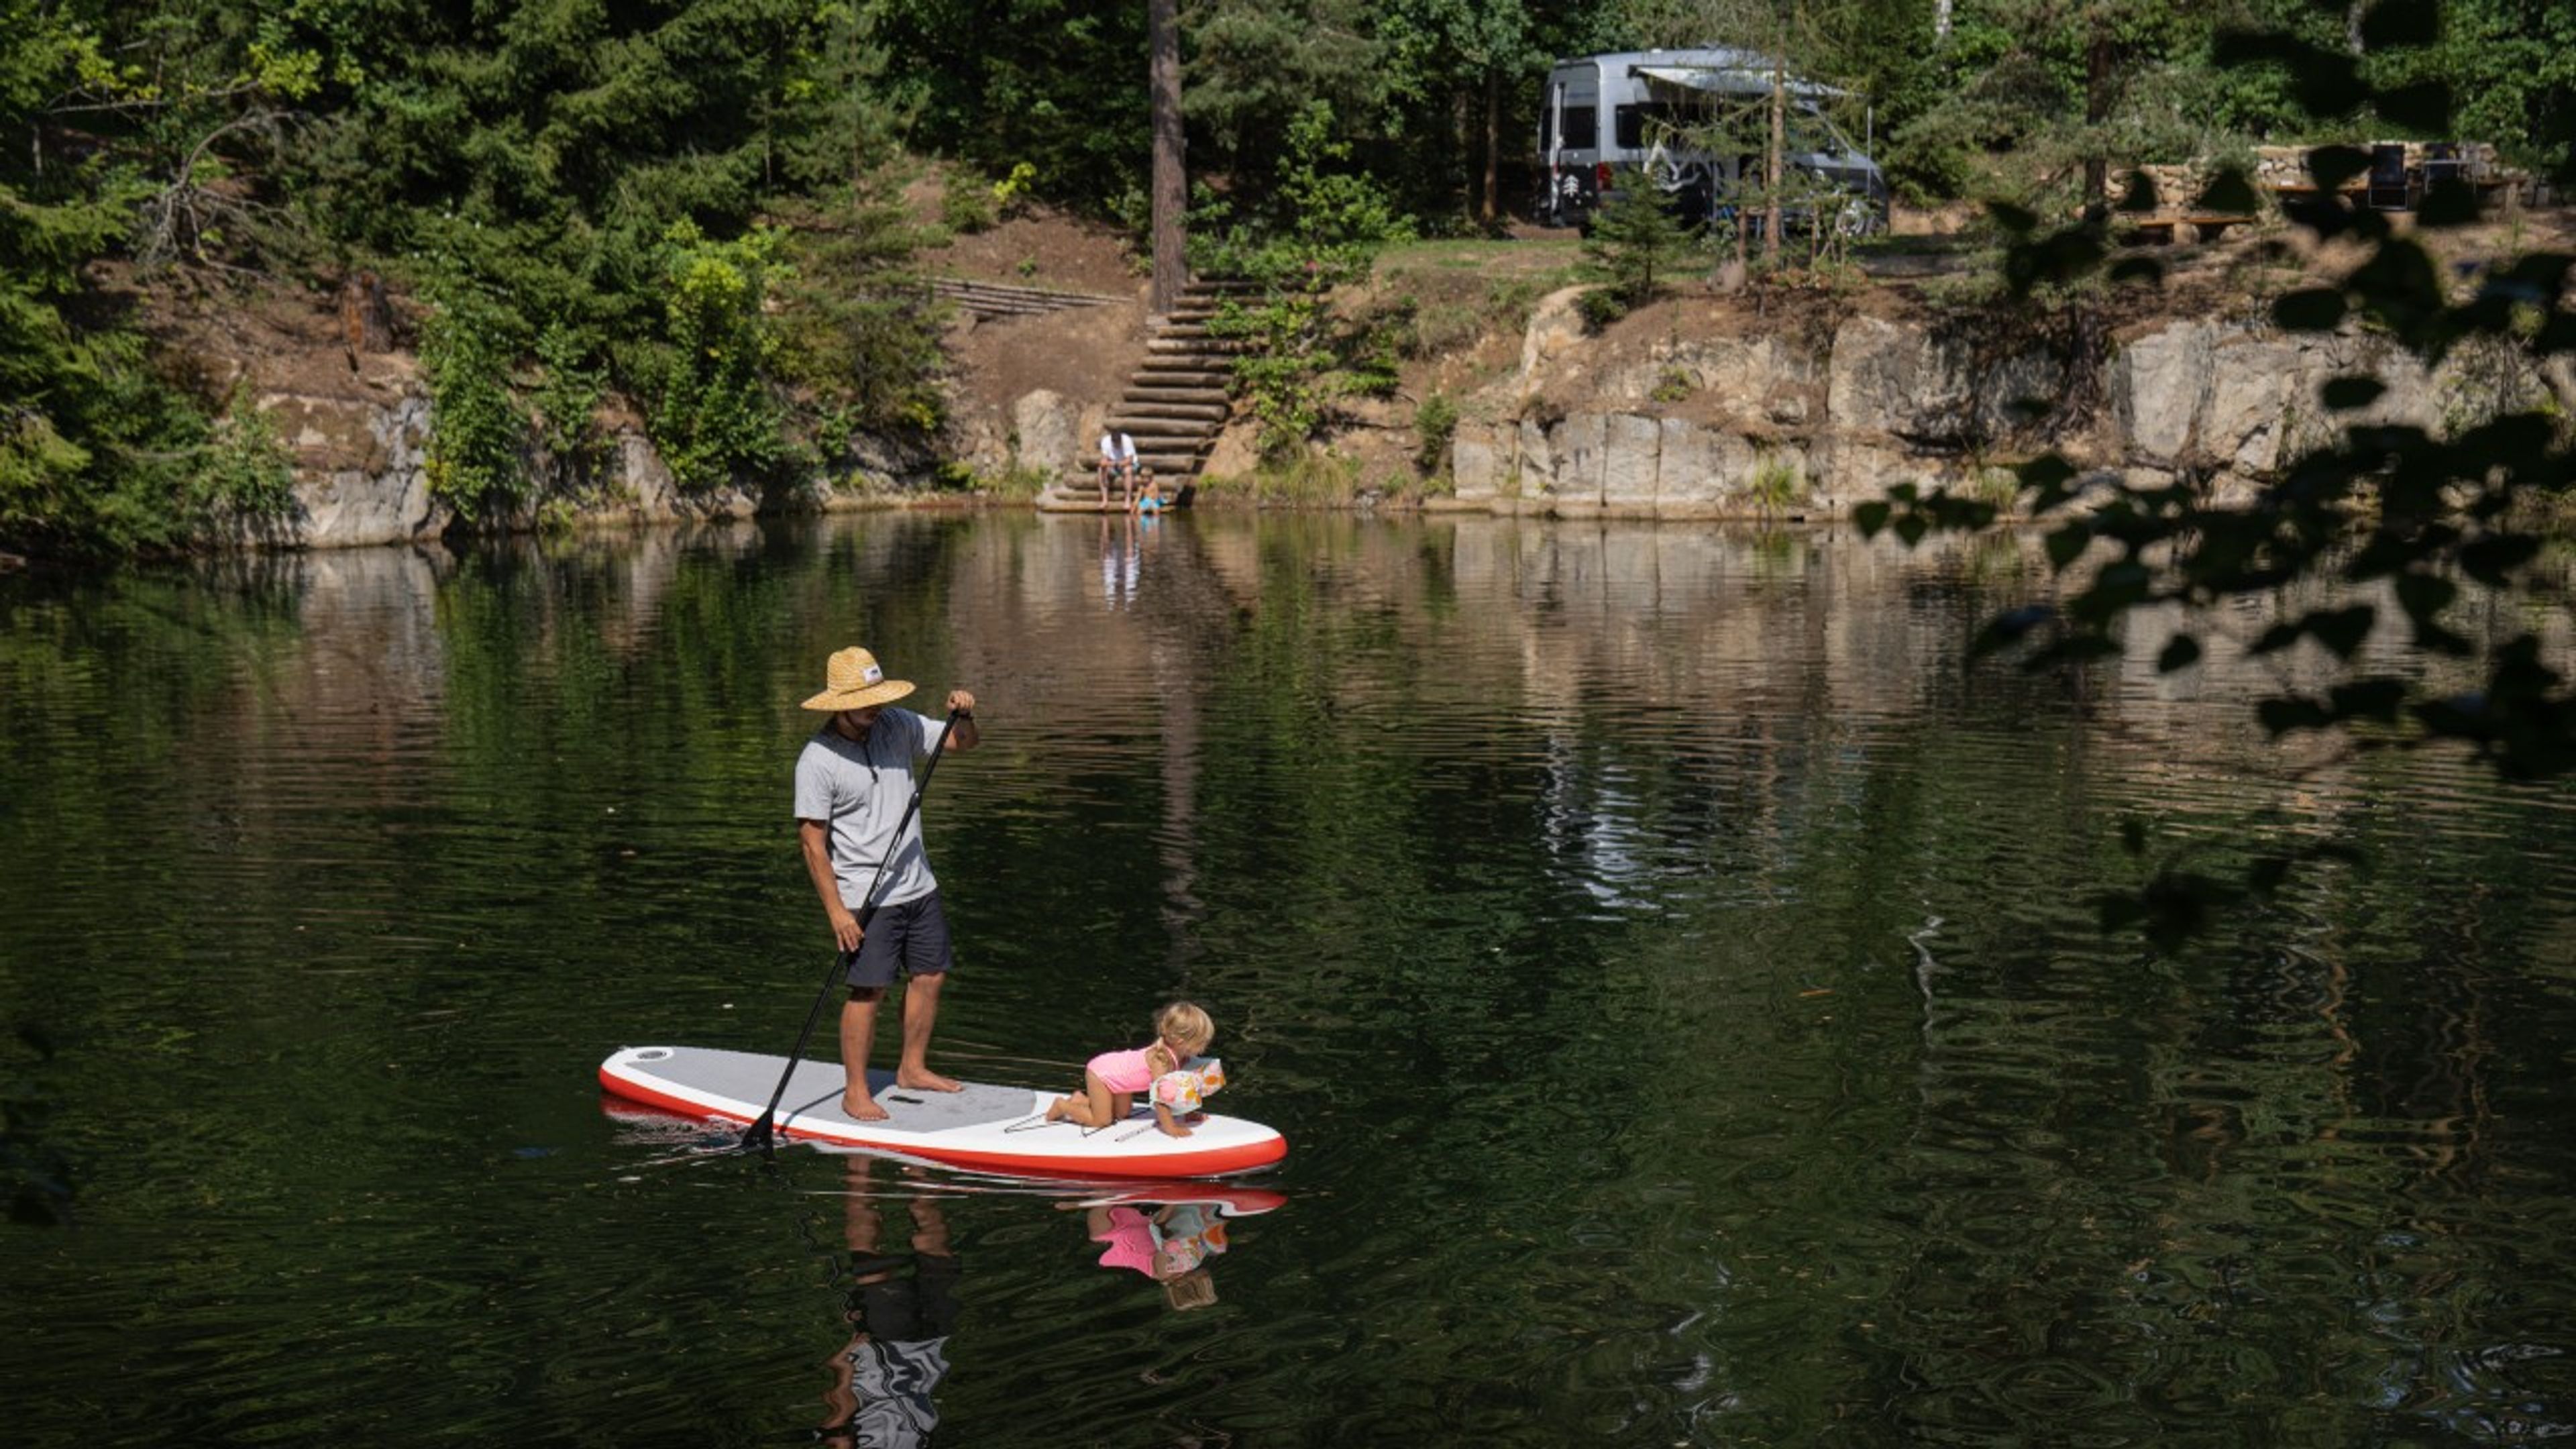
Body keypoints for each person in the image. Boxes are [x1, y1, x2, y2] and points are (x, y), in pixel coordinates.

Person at [794, 646, 981, 1122]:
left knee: (931, 975)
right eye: (865, 699)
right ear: (840, 704)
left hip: (918, 882)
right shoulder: (817, 761)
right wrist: (837, 912)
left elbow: (961, 743)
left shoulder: (896, 724)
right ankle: (855, 1091)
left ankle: (912, 1069)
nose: (876, 706)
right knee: (869, 991)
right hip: (865, 895)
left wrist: (965, 713)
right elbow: (813, 844)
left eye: (878, 695)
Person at [818, 1157, 959, 1447]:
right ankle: (918, 1170)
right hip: (932, 1350)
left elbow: (837, 1419)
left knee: (869, 1260)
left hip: (883, 1346)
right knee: (936, 1254)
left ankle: (860, 1166)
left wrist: (848, 1357)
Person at [1044, 1001, 1220, 1138]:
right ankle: (1063, 1106)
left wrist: (1188, 1114)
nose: (1205, 1046)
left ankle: (1080, 1100)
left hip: (1122, 1081)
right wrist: (1170, 1127)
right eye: (1202, 1042)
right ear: (1182, 1042)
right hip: (1103, 1074)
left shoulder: (1182, 1057)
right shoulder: (1161, 1060)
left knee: (1122, 1114)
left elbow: (1182, 1091)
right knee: (1102, 1121)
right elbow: (1161, 1099)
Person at [1096, 428, 1137, 504]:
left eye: (1119, 443)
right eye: (1115, 444)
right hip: (1113, 465)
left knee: (1128, 470)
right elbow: (1104, 460)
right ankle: (1105, 499)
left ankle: (1127, 499)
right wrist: (1105, 464)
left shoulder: (1127, 441)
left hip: (1128, 464)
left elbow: (1129, 460)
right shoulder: (1106, 441)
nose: (1117, 445)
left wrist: (1115, 464)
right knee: (1101, 470)